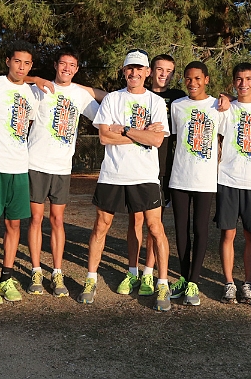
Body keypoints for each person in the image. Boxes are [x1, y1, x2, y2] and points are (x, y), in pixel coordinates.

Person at [77, 49, 172, 311]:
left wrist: (127, 129)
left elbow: (157, 140)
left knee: (155, 228)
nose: (134, 73)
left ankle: (161, 283)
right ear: (124, 71)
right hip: (113, 174)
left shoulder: (155, 102)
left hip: (145, 176)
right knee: (101, 225)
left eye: (139, 69)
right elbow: (105, 137)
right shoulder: (112, 100)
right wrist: (141, 133)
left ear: (147, 72)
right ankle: (90, 279)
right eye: (130, 68)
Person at [25, 48, 101, 297]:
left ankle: (57, 272)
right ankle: (36, 270)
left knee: (57, 220)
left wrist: (89, 90)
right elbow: (14, 81)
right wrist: (35, 79)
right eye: (63, 64)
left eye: (72, 65)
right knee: (36, 219)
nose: (67, 68)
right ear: (55, 65)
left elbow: (106, 111)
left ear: (77, 69)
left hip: (61, 167)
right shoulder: (41, 89)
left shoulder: (80, 95)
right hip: (36, 163)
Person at [0, 41, 38, 305]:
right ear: (7, 61)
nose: (21, 67)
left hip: (19, 167)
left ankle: (7, 275)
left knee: (14, 224)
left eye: (26, 63)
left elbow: (30, 124)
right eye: (17, 61)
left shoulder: (32, 93)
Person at [120, 54, 184, 297]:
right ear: (150, 71)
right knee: (135, 220)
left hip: (163, 168)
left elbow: (206, 100)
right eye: (160, 69)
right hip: (135, 167)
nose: (163, 74)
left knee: (153, 223)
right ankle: (133, 270)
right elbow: (99, 95)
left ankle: (149, 271)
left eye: (169, 70)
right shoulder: (134, 94)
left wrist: (228, 101)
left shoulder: (177, 98)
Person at [167, 62, 223, 305]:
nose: (193, 83)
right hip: (179, 177)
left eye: (198, 78)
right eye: (188, 79)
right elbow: (174, 140)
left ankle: (194, 282)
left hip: (205, 178)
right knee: (181, 230)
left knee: (200, 229)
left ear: (207, 80)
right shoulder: (177, 106)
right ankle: (182, 276)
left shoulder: (218, 106)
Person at [216, 63, 251, 306]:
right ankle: (229, 283)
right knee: (228, 233)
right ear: (233, 82)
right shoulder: (226, 108)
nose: (243, 83)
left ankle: (247, 284)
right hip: (227, 179)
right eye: (239, 79)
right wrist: (222, 99)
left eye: (248, 78)